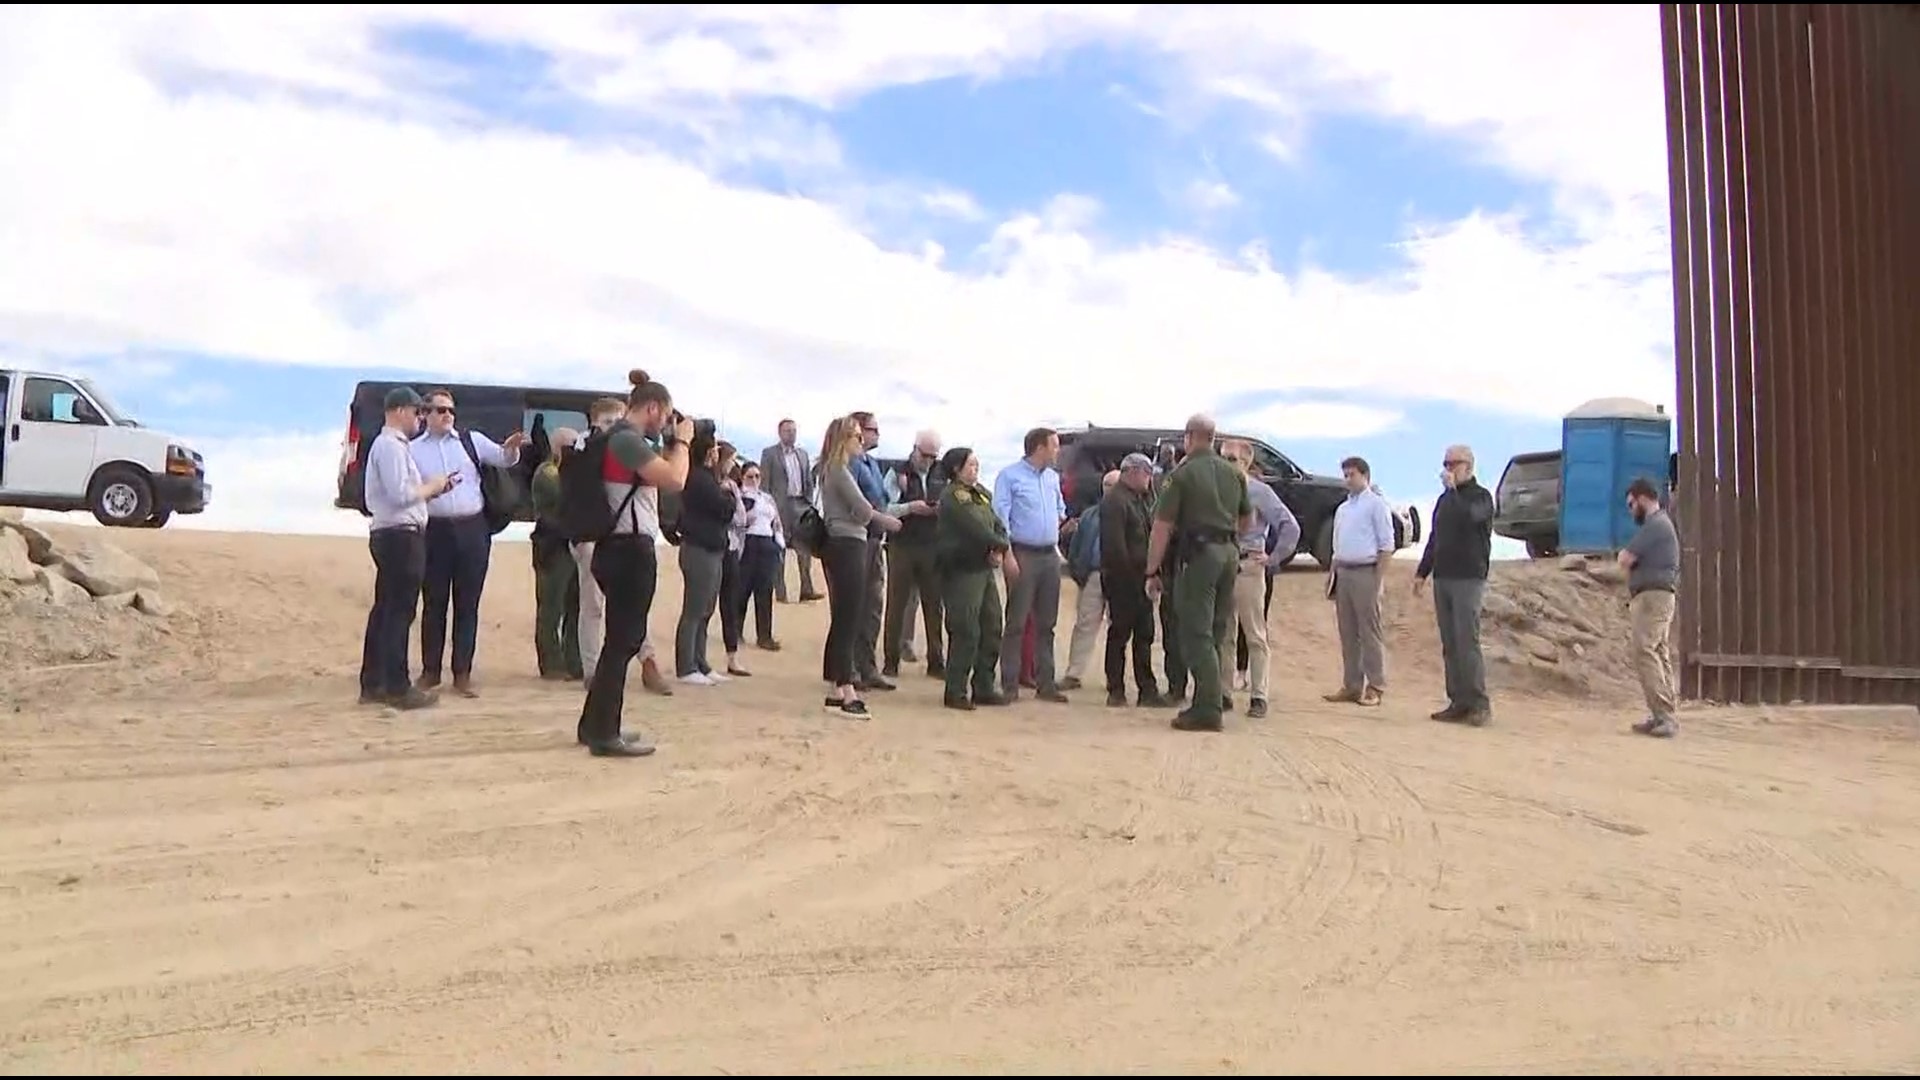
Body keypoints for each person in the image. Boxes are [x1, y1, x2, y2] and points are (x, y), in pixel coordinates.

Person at [574, 369, 693, 758]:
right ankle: (605, 733)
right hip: (629, 549)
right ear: (654, 408)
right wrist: (684, 443)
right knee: (622, 642)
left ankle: (594, 724)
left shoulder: (619, 440)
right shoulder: (626, 440)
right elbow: (673, 479)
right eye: (666, 414)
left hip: (615, 547)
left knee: (618, 641)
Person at [409, 388, 527, 698]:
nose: (447, 415)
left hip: (472, 529)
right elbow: (408, 488)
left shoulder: (470, 440)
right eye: (440, 410)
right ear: (426, 414)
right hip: (434, 531)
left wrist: (512, 449)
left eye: (450, 410)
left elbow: (503, 459)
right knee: (434, 602)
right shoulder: (413, 449)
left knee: (467, 604)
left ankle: (462, 673)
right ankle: (430, 672)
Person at [1146, 414, 1251, 732]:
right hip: (1228, 553)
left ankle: (1207, 707)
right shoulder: (1233, 474)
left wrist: (1152, 569)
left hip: (1199, 556)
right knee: (1217, 630)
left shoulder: (1182, 475)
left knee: (1196, 631)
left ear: (1190, 437)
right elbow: (1247, 520)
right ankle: (1214, 695)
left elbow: (1161, 526)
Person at [359, 387, 453, 710]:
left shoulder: (391, 446)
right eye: (417, 412)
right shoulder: (390, 446)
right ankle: (396, 686)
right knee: (399, 611)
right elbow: (401, 494)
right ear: (400, 411)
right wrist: (434, 486)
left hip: (394, 533)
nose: (420, 419)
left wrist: (431, 493)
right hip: (399, 535)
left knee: (386, 609)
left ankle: (375, 682)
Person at [820, 415, 903, 717]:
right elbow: (863, 509)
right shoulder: (838, 470)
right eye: (856, 436)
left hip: (846, 541)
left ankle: (835, 689)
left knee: (844, 617)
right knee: (848, 618)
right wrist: (886, 520)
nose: (861, 441)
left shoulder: (835, 469)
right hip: (848, 543)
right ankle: (846, 690)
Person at [1413, 444, 1496, 726]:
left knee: (1466, 640)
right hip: (1444, 576)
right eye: (1445, 464)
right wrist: (1422, 571)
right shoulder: (1445, 500)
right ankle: (1457, 701)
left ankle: (1478, 703)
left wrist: (1454, 492)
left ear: (1468, 466)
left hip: (1469, 576)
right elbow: (1436, 537)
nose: (1448, 470)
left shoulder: (1480, 497)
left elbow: (1470, 518)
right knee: (1449, 641)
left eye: (1453, 464)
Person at [1217, 440, 1298, 719]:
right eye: (1223, 457)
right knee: (1224, 632)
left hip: (1249, 563)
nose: (1226, 463)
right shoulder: (1216, 488)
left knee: (1254, 633)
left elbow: (1289, 525)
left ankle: (1259, 694)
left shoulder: (1259, 492)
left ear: (1246, 463)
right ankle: (1224, 691)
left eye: (1232, 459)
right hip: (1222, 564)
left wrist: (1273, 558)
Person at [993, 427, 1072, 703]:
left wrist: (1057, 528)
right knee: (1016, 621)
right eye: (1054, 445)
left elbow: (1060, 510)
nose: (1058, 450)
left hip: (1049, 554)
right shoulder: (1009, 476)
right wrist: (1008, 554)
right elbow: (1000, 517)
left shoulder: (1052, 478)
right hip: (1022, 552)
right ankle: (1010, 683)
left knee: (1046, 623)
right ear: (1039, 447)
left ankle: (1045, 683)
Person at [935, 446, 1014, 710]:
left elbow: (996, 522)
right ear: (956, 469)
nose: (975, 470)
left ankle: (984, 686)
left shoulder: (981, 494)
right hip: (962, 569)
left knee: (992, 626)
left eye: (977, 466)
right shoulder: (953, 497)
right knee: (966, 629)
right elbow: (974, 527)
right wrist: (997, 545)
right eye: (970, 465)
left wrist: (1000, 545)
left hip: (984, 568)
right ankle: (955, 690)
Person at [1323, 456, 1397, 708]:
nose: (1347, 479)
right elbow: (1337, 545)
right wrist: (1332, 575)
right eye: (1345, 474)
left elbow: (1386, 545)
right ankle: (1352, 685)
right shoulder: (1343, 508)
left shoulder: (1376, 505)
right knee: (1348, 632)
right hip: (1344, 570)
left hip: (1366, 570)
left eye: (1351, 474)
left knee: (1369, 631)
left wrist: (1378, 581)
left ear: (1365, 475)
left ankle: (1375, 685)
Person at [1099, 453, 1166, 708]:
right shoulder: (1115, 501)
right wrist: (1129, 577)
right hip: (1122, 580)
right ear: (1133, 472)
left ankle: (1146, 689)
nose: (1150, 479)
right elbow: (1115, 546)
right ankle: (1115, 689)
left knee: (1144, 635)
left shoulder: (1139, 500)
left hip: (1141, 577)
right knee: (1119, 634)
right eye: (1147, 473)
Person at [1619, 476, 1681, 738]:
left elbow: (1625, 558)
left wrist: (1627, 564)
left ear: (1642, 498)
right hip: (1659, 596)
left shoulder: (1655, 526)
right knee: (1658, 651)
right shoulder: (1660, 525)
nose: (1631, 510)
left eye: (1631, 504)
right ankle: (1662, 713)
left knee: (1645, 650)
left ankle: (1664, 714)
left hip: (1653, 597)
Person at [673, 435, 738, 686]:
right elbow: (724, 508)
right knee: (694, 609)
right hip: (699, 548)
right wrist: (729, 498)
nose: (716, 455)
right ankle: (686, 666)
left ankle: (700, 662)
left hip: (712, 547)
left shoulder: (708, 478)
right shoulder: (699, 478)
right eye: (713, 450)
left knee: (706, 609)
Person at [530, 426, 584, 681]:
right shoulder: (548, 473)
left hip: (571, 544)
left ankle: (574, 659)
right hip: (552, 547)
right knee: (551, 607)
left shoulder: (569, 473)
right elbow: (566, 499)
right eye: (572, 444)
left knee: (575, 606)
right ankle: (550, 663)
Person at [726, 460, 785, 668]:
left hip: (767, 541)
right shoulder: (740, 496)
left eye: (757, 476)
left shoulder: (766, 498)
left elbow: (776, 521)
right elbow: (737, 519)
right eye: (750, 476)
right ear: (743, 477)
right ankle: (736, 631)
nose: (754, 480)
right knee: (743, 588)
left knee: (765, 589)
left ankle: (764, 634)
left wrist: (780, 542)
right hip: (748, 541)